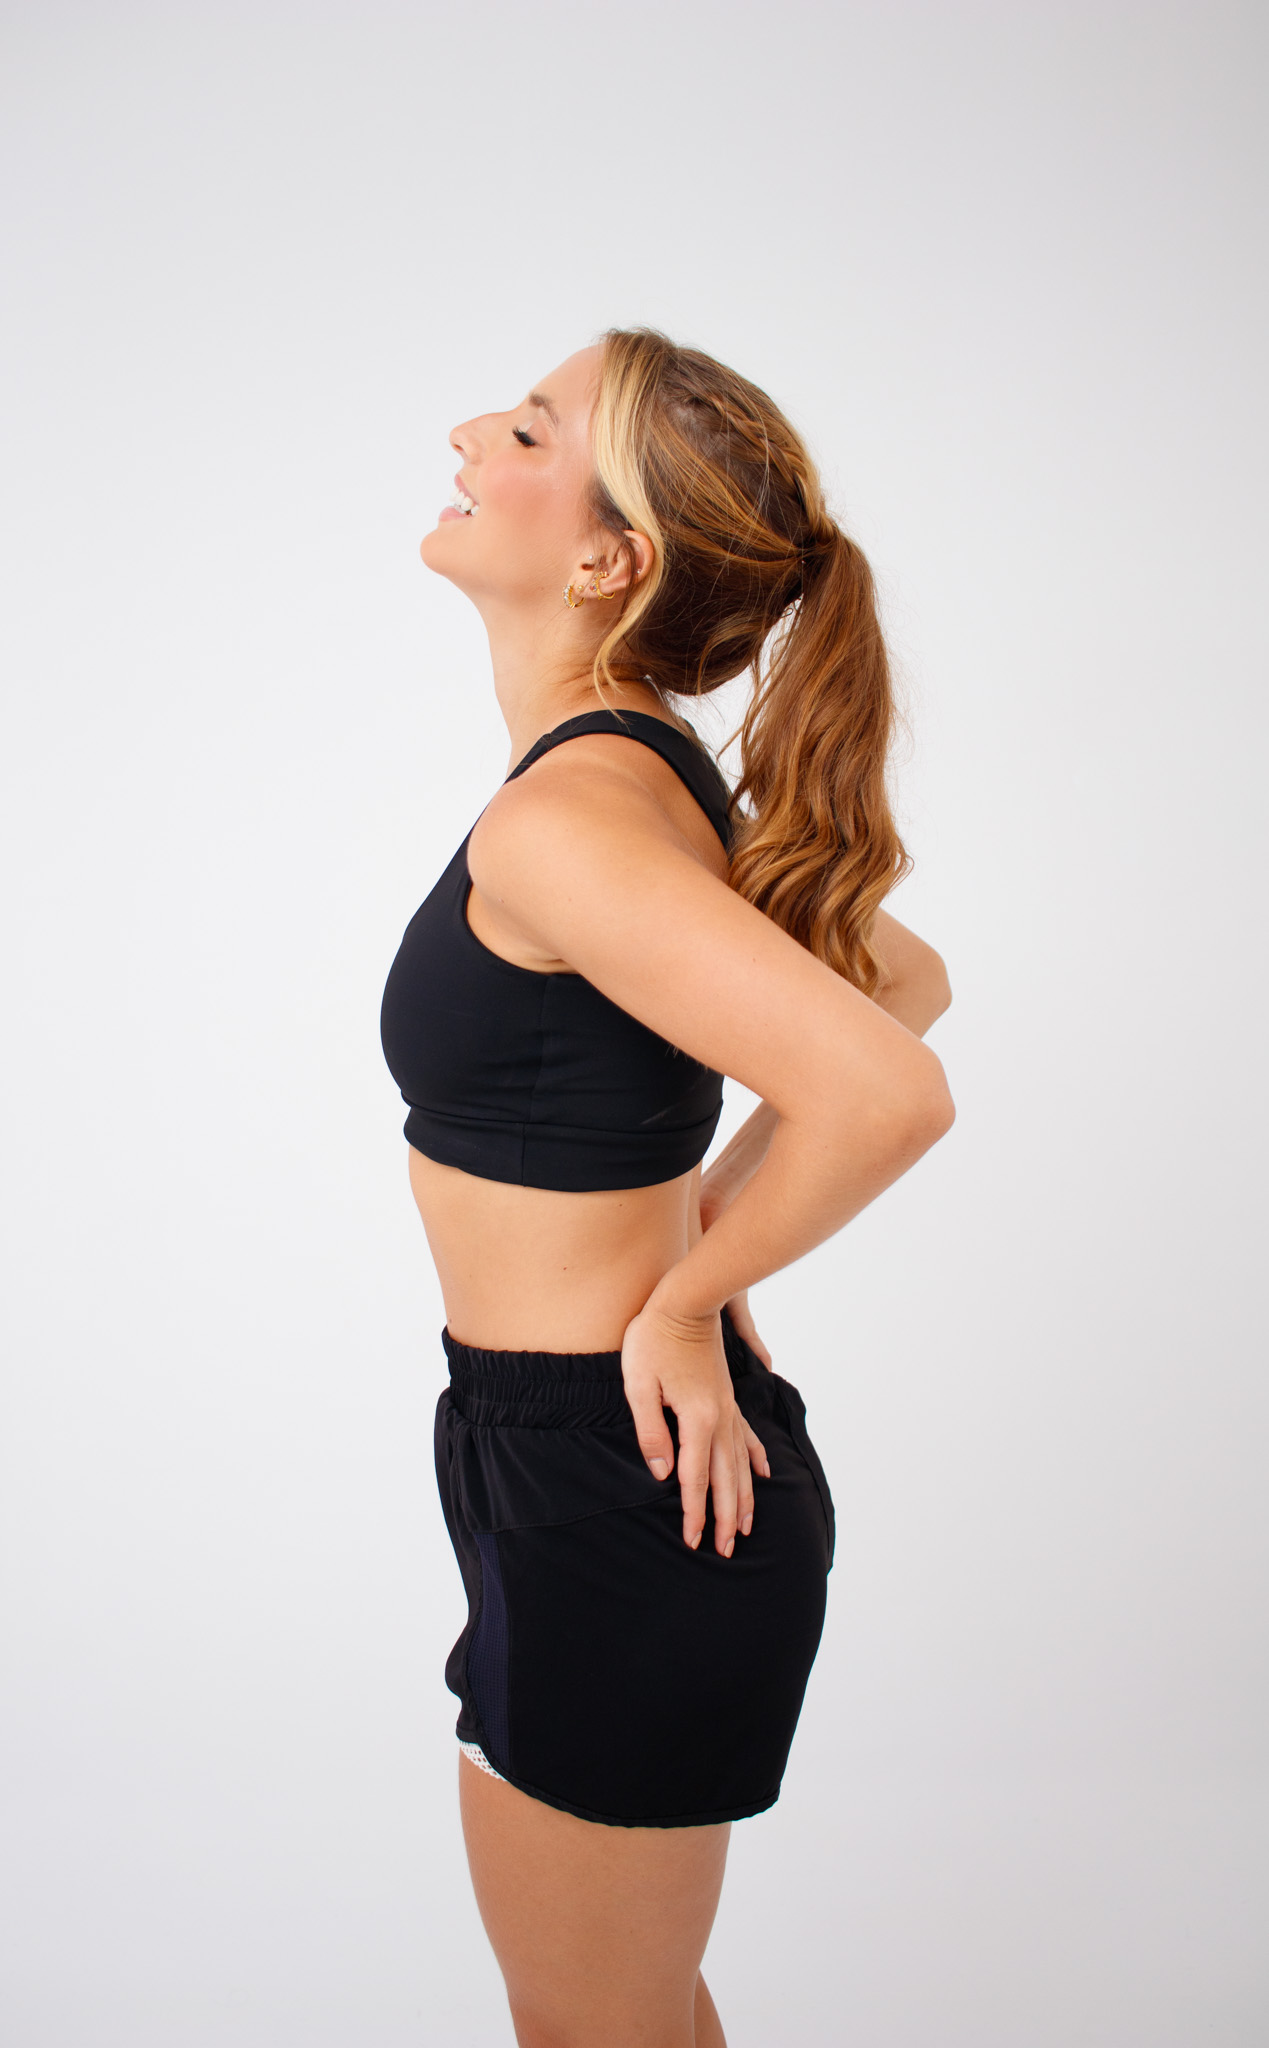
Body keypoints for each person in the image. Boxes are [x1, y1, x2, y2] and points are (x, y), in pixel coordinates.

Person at [380, 327, 954, 2048]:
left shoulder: (571, 820)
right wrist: (700, 1229)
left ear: (606, 561)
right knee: (620, 2018)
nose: (470, 431)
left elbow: (886, 1081)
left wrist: (691, 1290)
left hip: (615, 1480)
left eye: (528, 428)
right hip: (558, 1458)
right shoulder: (628, 779)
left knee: (592, 2030)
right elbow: (900, 981)